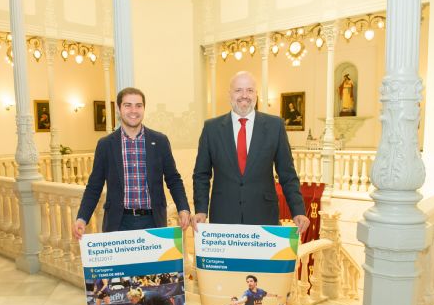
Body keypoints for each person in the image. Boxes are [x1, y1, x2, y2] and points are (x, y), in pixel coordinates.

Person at [191, 71, 309, 233]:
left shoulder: (275, 126)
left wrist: (298, 210)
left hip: (263, 216)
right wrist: (201, 209)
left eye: (250, 90)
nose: (244, 95)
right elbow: (201, 174)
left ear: (256, 94)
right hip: (224, 217)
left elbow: (287, 174)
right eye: (238, 90)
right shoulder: (211, 128)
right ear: (230, 94)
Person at [72, 87, 190, 239]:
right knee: (122, 265)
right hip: (118, 223)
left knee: (152, 264)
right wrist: (82, 218)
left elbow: (173, 179)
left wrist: (183, 208)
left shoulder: (159, 141)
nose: (133, 110)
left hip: (153, 222)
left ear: (144, 108)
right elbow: (94, 186)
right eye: (128, 105)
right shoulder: (106, 144)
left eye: (138, 105)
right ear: (119, 108)